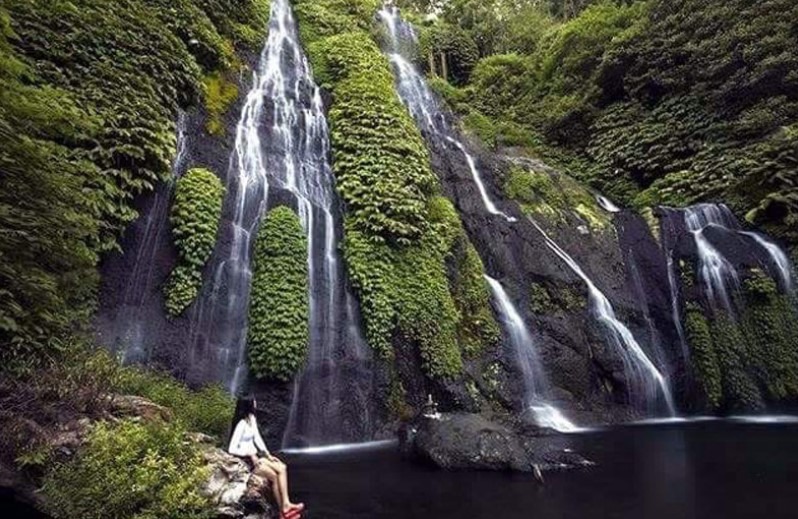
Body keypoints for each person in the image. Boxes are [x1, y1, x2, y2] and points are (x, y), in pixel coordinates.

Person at [228, 398, 304, 518]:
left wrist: (268, 455)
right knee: (274, 475)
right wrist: (249, 453)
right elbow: (231, 449)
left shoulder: (251, 419)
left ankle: (285, 505)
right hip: (248, 463)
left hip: (257, 458)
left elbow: (257, 438)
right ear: (249, 405)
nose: (256, 402)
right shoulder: (241, 424)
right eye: (253, 401)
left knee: (282, 467)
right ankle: (284, 509)